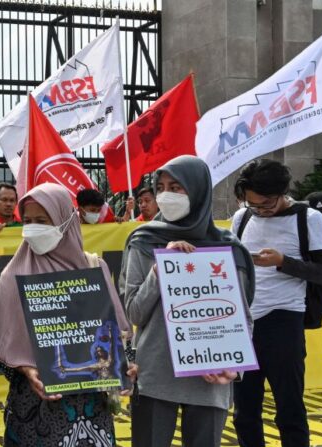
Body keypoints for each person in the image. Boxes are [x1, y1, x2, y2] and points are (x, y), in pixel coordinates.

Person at [119, 155, 256, 446]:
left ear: (198, 191)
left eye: (177, 187)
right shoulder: (143, 241)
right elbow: (134, 311)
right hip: (155, 377)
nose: (167, 194)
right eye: (161, 186)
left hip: (210, 377)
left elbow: (241, 317)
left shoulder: (230, 249)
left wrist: (235, 368)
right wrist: (161, 269)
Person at [0, 183, 131, 446]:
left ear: (66, 221)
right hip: (33, 408)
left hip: (91, 406)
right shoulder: (13, 275)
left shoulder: (93, 267)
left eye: (42, 220)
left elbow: (118, 334)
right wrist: (26, 369)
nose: (33, 228)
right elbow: (1, 349)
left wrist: (127, 364)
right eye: (27, 221)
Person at [231, 160, 322, 447]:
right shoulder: (242, 218)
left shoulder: (309, 219)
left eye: (267, 203)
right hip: (245, 322)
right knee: (244, 411)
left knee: (289, 408)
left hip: (285, 319)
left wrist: (282, 262)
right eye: (253, 204)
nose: (261, 210)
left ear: (283, 192)